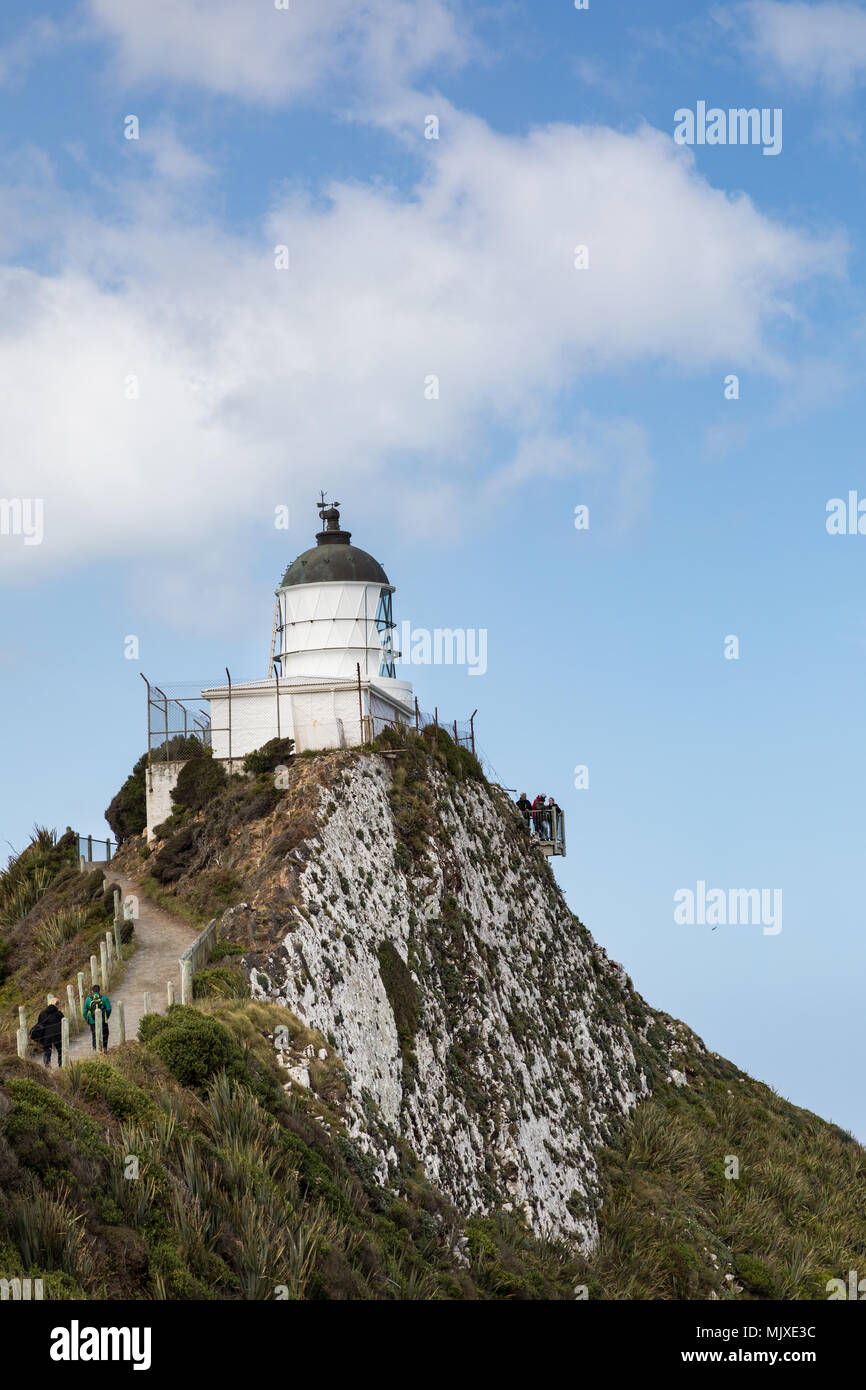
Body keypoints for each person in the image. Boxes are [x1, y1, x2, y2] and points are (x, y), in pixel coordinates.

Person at [34, 996, 64, 1067]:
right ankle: (61, 1065)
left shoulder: (42, 1013)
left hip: (46, 1035)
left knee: (47, 1051)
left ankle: (47, 1065)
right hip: (57, 1035)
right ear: (57, 1004)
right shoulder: (59, 1013)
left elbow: (39, 1023)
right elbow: (64, 1023)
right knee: (60, 1050)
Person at [84, 986, 112, 1051]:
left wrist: (88, 1020)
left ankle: (95, 1048)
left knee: (94, 1034)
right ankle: (104, 1047)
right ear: (99, 991)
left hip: (92, 1021)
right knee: (105, 1033)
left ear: (92, 991)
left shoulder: (88, 999)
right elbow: (109, 1009)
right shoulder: (104, 998)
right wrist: (106, 1017)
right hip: (102, 1019)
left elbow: (84, 1012)